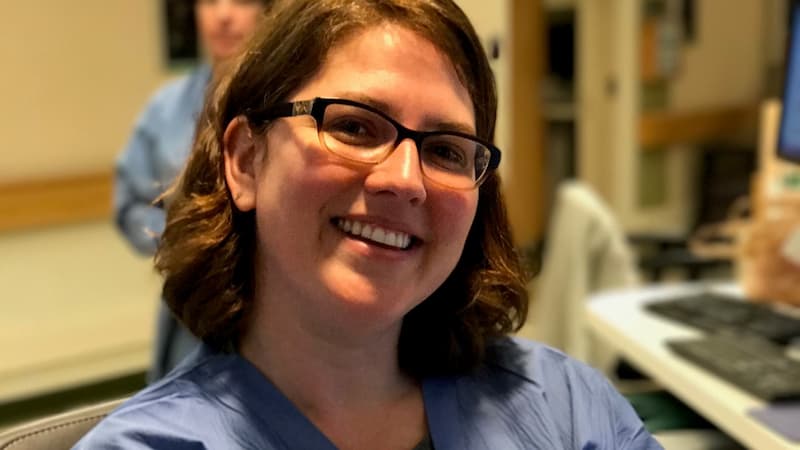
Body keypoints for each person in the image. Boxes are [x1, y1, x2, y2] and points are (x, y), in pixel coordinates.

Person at [80, 0, 663, 448]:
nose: (405, 179)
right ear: (246, 161)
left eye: (446, 150)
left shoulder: (568, 408)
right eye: (355, 127)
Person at [114, 0, 269, 380]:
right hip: (189, 309)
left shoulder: (284, 103)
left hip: (269, 306)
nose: (224, 15)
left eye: (241, 1)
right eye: (210, 2)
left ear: (268, 10)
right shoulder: (166, 109)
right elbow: (129, 202)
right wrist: (184, 239)